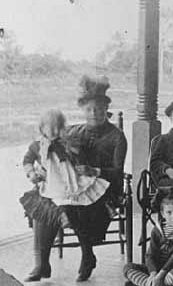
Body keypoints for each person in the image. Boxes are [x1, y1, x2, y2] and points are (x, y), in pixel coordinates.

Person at [20, 110, 110, 282]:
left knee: (73, 209)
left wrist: (74, 150)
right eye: (49, 127)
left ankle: (87, 256)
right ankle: (41, 263)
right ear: (42, 128)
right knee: (43, 208)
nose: (53, 130)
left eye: (57, 126)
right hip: (52, 184)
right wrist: (32, 172)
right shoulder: (37, 145)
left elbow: (84, 160)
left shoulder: (70, 141)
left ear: (62, 127)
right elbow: (27, 160)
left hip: (73, 182)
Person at [66, 75, 128, 280]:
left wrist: (95, 171)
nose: (94, 113)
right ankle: (86, 254)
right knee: (65, 202)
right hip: (78, 185)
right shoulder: (74, 131)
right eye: (90, 109)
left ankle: (86, 255)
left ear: (106, 111)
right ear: (83, 111)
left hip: (108, 185)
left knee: (84, 206)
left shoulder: (117, 136)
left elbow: (118, 171)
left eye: (99, 109)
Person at [123, 187, 173, 286]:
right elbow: (150, 255)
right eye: (169, 212)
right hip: (157, 269)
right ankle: (151, 283)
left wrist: (161, 275)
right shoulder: (157, 230)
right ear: (162, 213)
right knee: (128, 267)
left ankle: (149, 283)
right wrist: (153, 273)